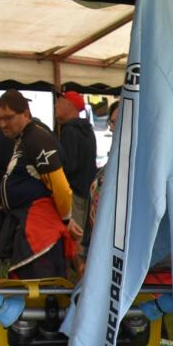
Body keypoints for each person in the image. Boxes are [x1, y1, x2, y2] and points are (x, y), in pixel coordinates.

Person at [0, 89, 74, 279]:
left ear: (25, 114)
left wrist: (66, 219)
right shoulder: (24, 138)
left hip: (40, 229)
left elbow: (60, 186)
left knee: (40, 286)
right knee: (29, 285)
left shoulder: (36, 138)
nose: (2, 124)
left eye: (8, 118)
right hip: (29, 224)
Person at [54, 89, 97, 248]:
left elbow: (69, 165)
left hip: (73, 193)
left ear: (69, 105)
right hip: (86, 192)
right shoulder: (87, 130)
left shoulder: (69, 131)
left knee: (73, 240)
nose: (55, 105)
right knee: (81, 238)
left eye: (59, 102)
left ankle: (77, 262)